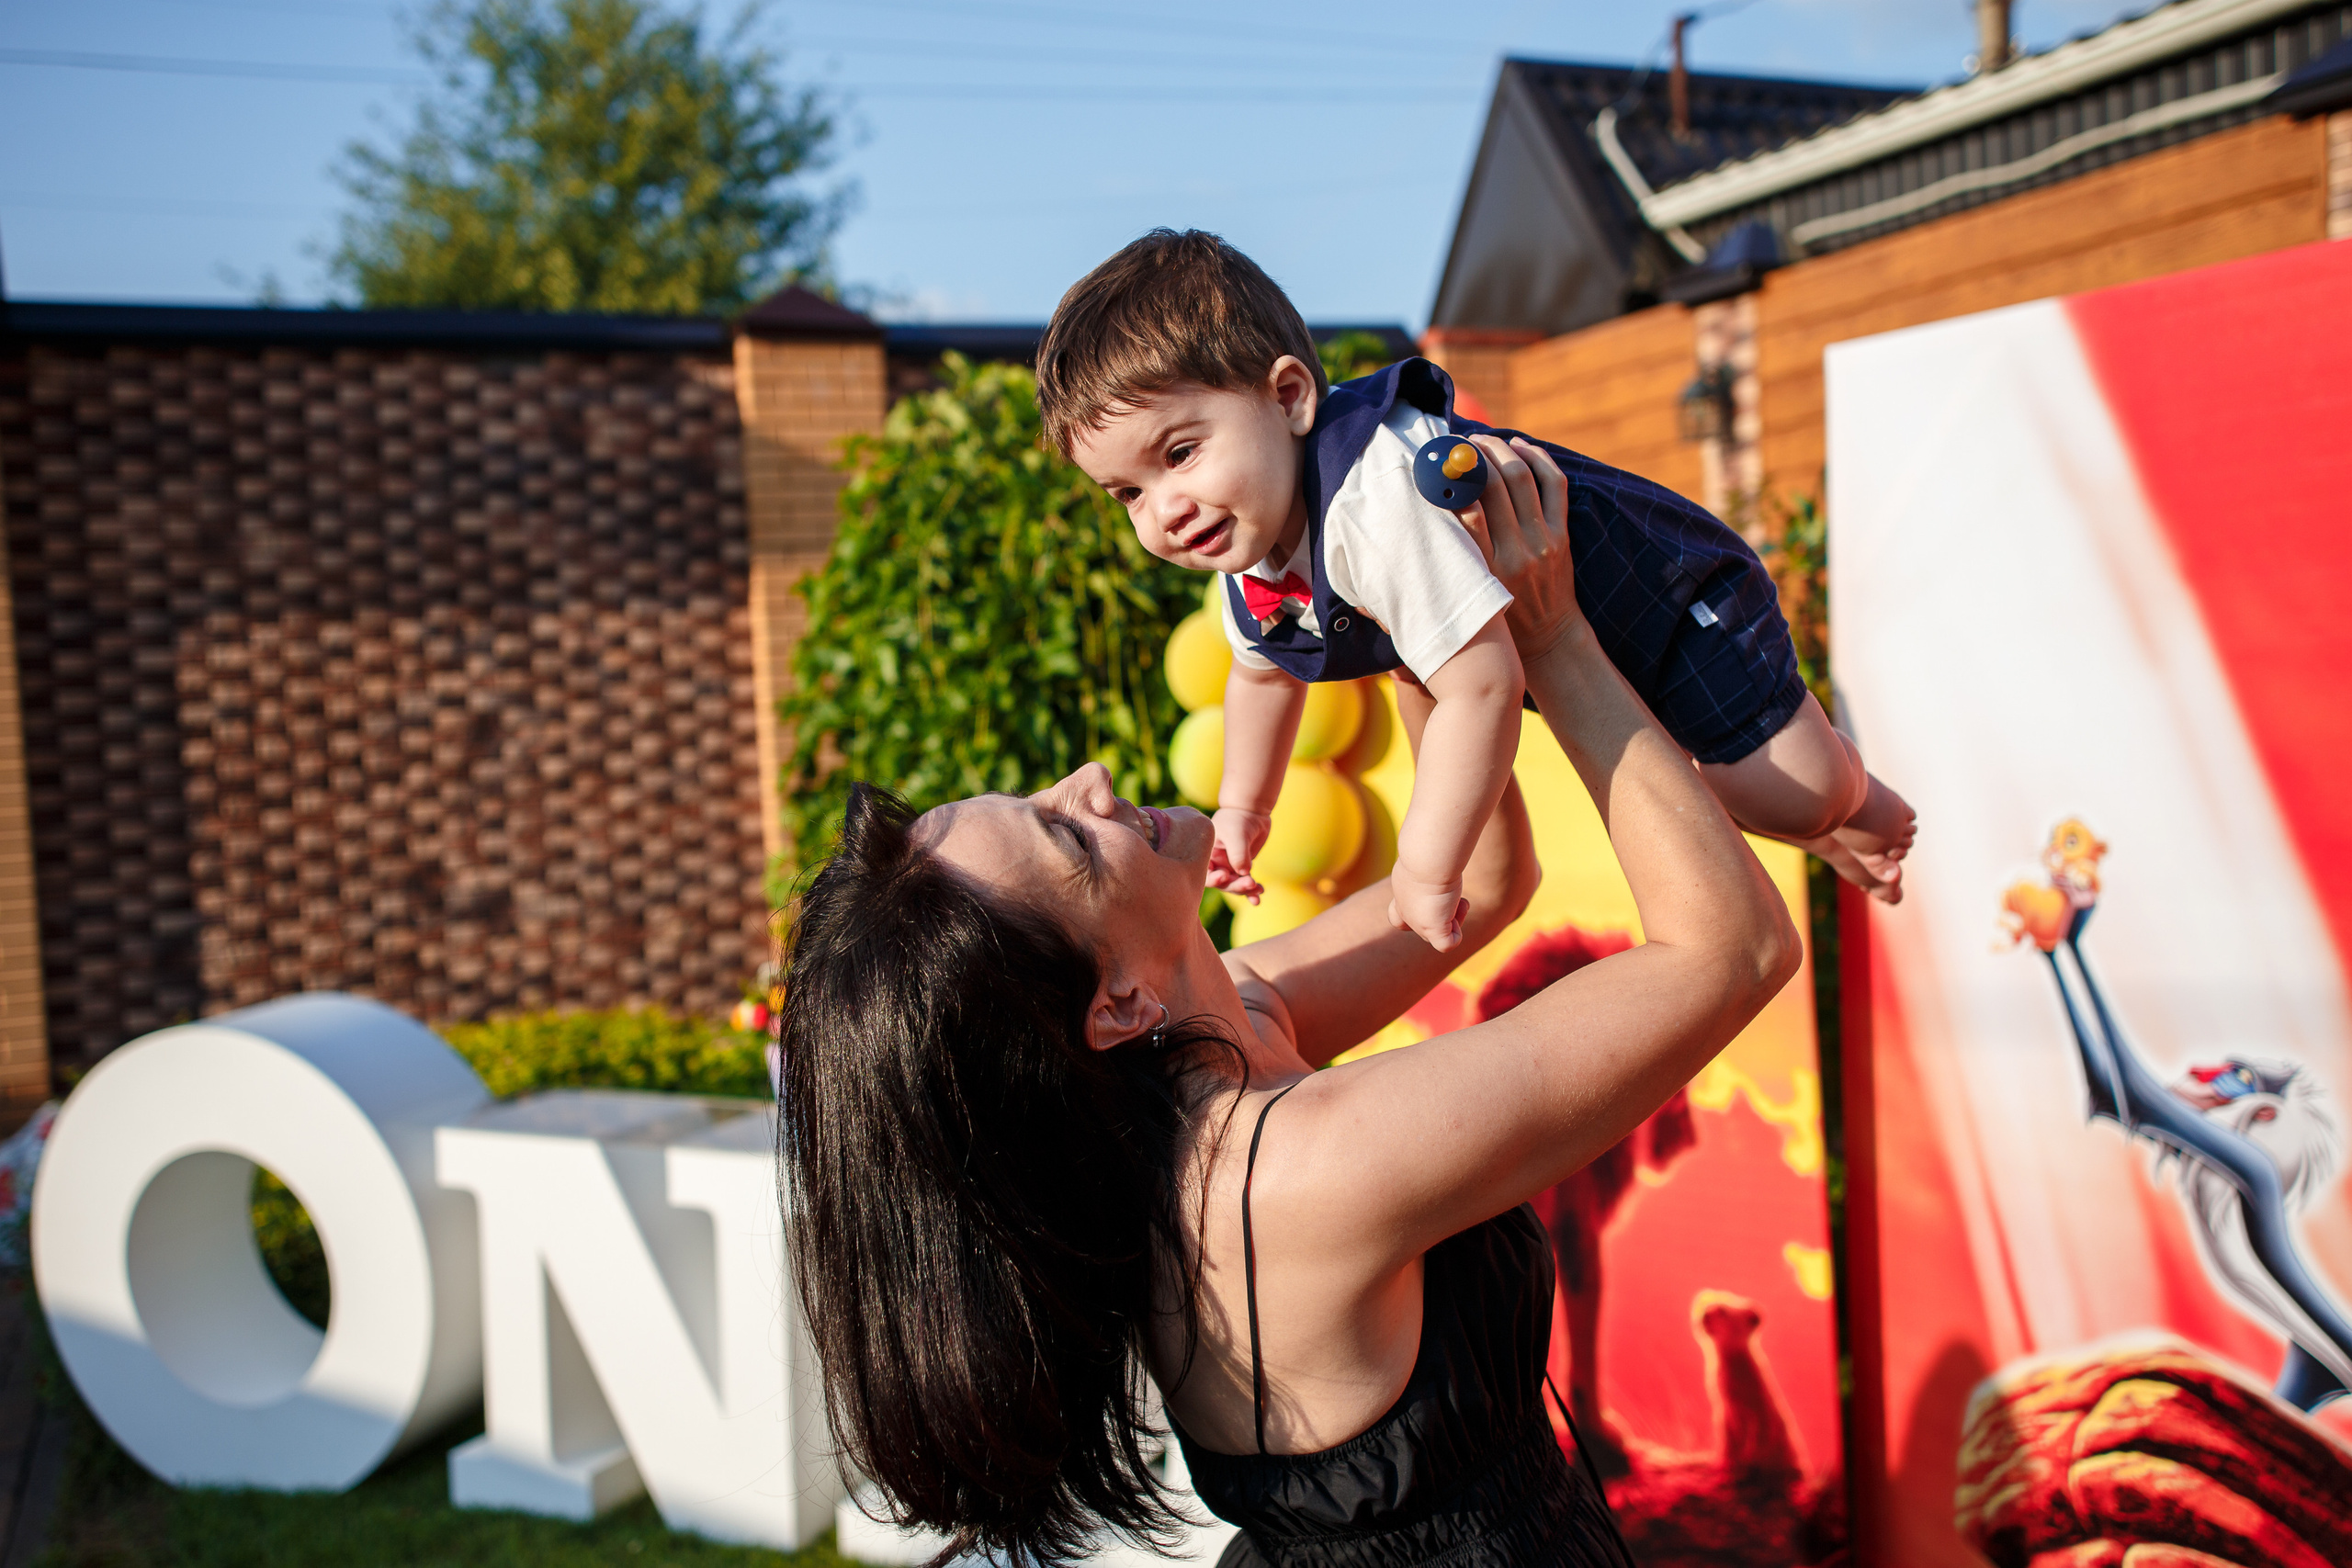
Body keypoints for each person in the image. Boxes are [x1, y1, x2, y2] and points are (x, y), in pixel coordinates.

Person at [777, 433, 1803, 1568]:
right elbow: (1734, 949)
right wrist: (1555, 637)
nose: (1091, 783)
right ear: (1114, 1000)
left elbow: (1472, 882)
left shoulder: (1197, 1054)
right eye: (1067, 836)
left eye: (1043, 795)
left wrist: (1420, 608)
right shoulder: (1291, 1174)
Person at [1034, 229, 1915, 949]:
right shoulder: (1254, 543)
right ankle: (1829, 827)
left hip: (1671, 599)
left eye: (1181, 452)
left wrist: (1427, 863)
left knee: (1788, 791)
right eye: (1128, 494)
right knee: (1719, 791)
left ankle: (1860, 803)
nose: (1166, 510)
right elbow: (1260, 673)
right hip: (1588, 651)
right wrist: (1244, 806)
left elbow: (1483, 686)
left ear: (1291, 397)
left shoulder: (1373, 502)